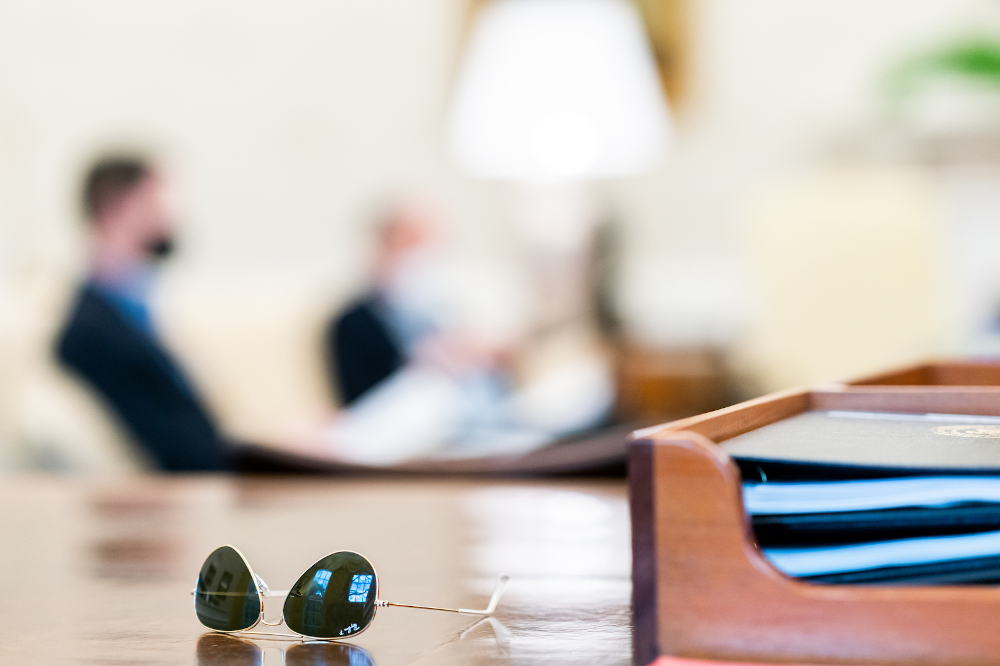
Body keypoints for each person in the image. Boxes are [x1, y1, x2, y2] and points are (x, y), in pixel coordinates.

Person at [55, 156, 229, 471]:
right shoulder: (90, 334)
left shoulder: (133, 311)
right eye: (155, 203)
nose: (169, 217)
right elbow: (174, 449)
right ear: (115, 210)